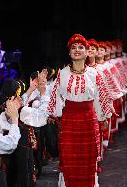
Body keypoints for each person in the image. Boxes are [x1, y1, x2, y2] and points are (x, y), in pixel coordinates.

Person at [47, 34, 112, 187]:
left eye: (81, 47)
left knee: (87, 161)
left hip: (89, 121)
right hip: (69, 122)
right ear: (69, 52)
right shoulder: (62, 74)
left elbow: (100, 98)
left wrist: (103, 118)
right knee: (69, 159)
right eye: (73, 48)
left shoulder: (94, 73)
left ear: (86, 51)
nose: (77, 50)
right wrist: (56, 115)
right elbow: (56, 98)